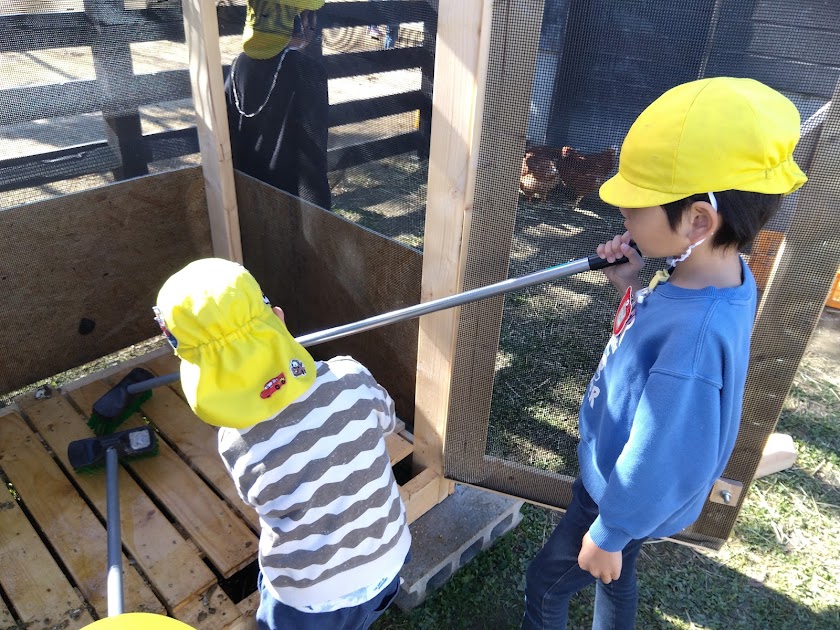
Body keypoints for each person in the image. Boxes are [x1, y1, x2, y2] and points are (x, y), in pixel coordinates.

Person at [522, 77, 808, 629]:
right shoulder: (723, 279)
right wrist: (629, 285)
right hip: (624, 496)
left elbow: (662, 448)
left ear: (699, 220)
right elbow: (658, 340)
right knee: (617, 576)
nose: (623, 215)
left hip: (617, 494)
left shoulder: (695, 337)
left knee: (547, 585)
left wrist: (609, 530)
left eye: (635, 206)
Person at [154, 258, 411, 630]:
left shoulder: (235, 442)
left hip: (307, 599)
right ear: (277, 316)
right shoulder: (350, 377)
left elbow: (257, 499)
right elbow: (388, 421)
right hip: (388, 561)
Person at [225, 1, 331, 210]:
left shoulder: (238, 64)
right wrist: (320, 214)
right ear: (300, 21)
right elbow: (314, 150)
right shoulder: (308, 71)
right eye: (310, 16)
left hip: (246, 194)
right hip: (291, 201)